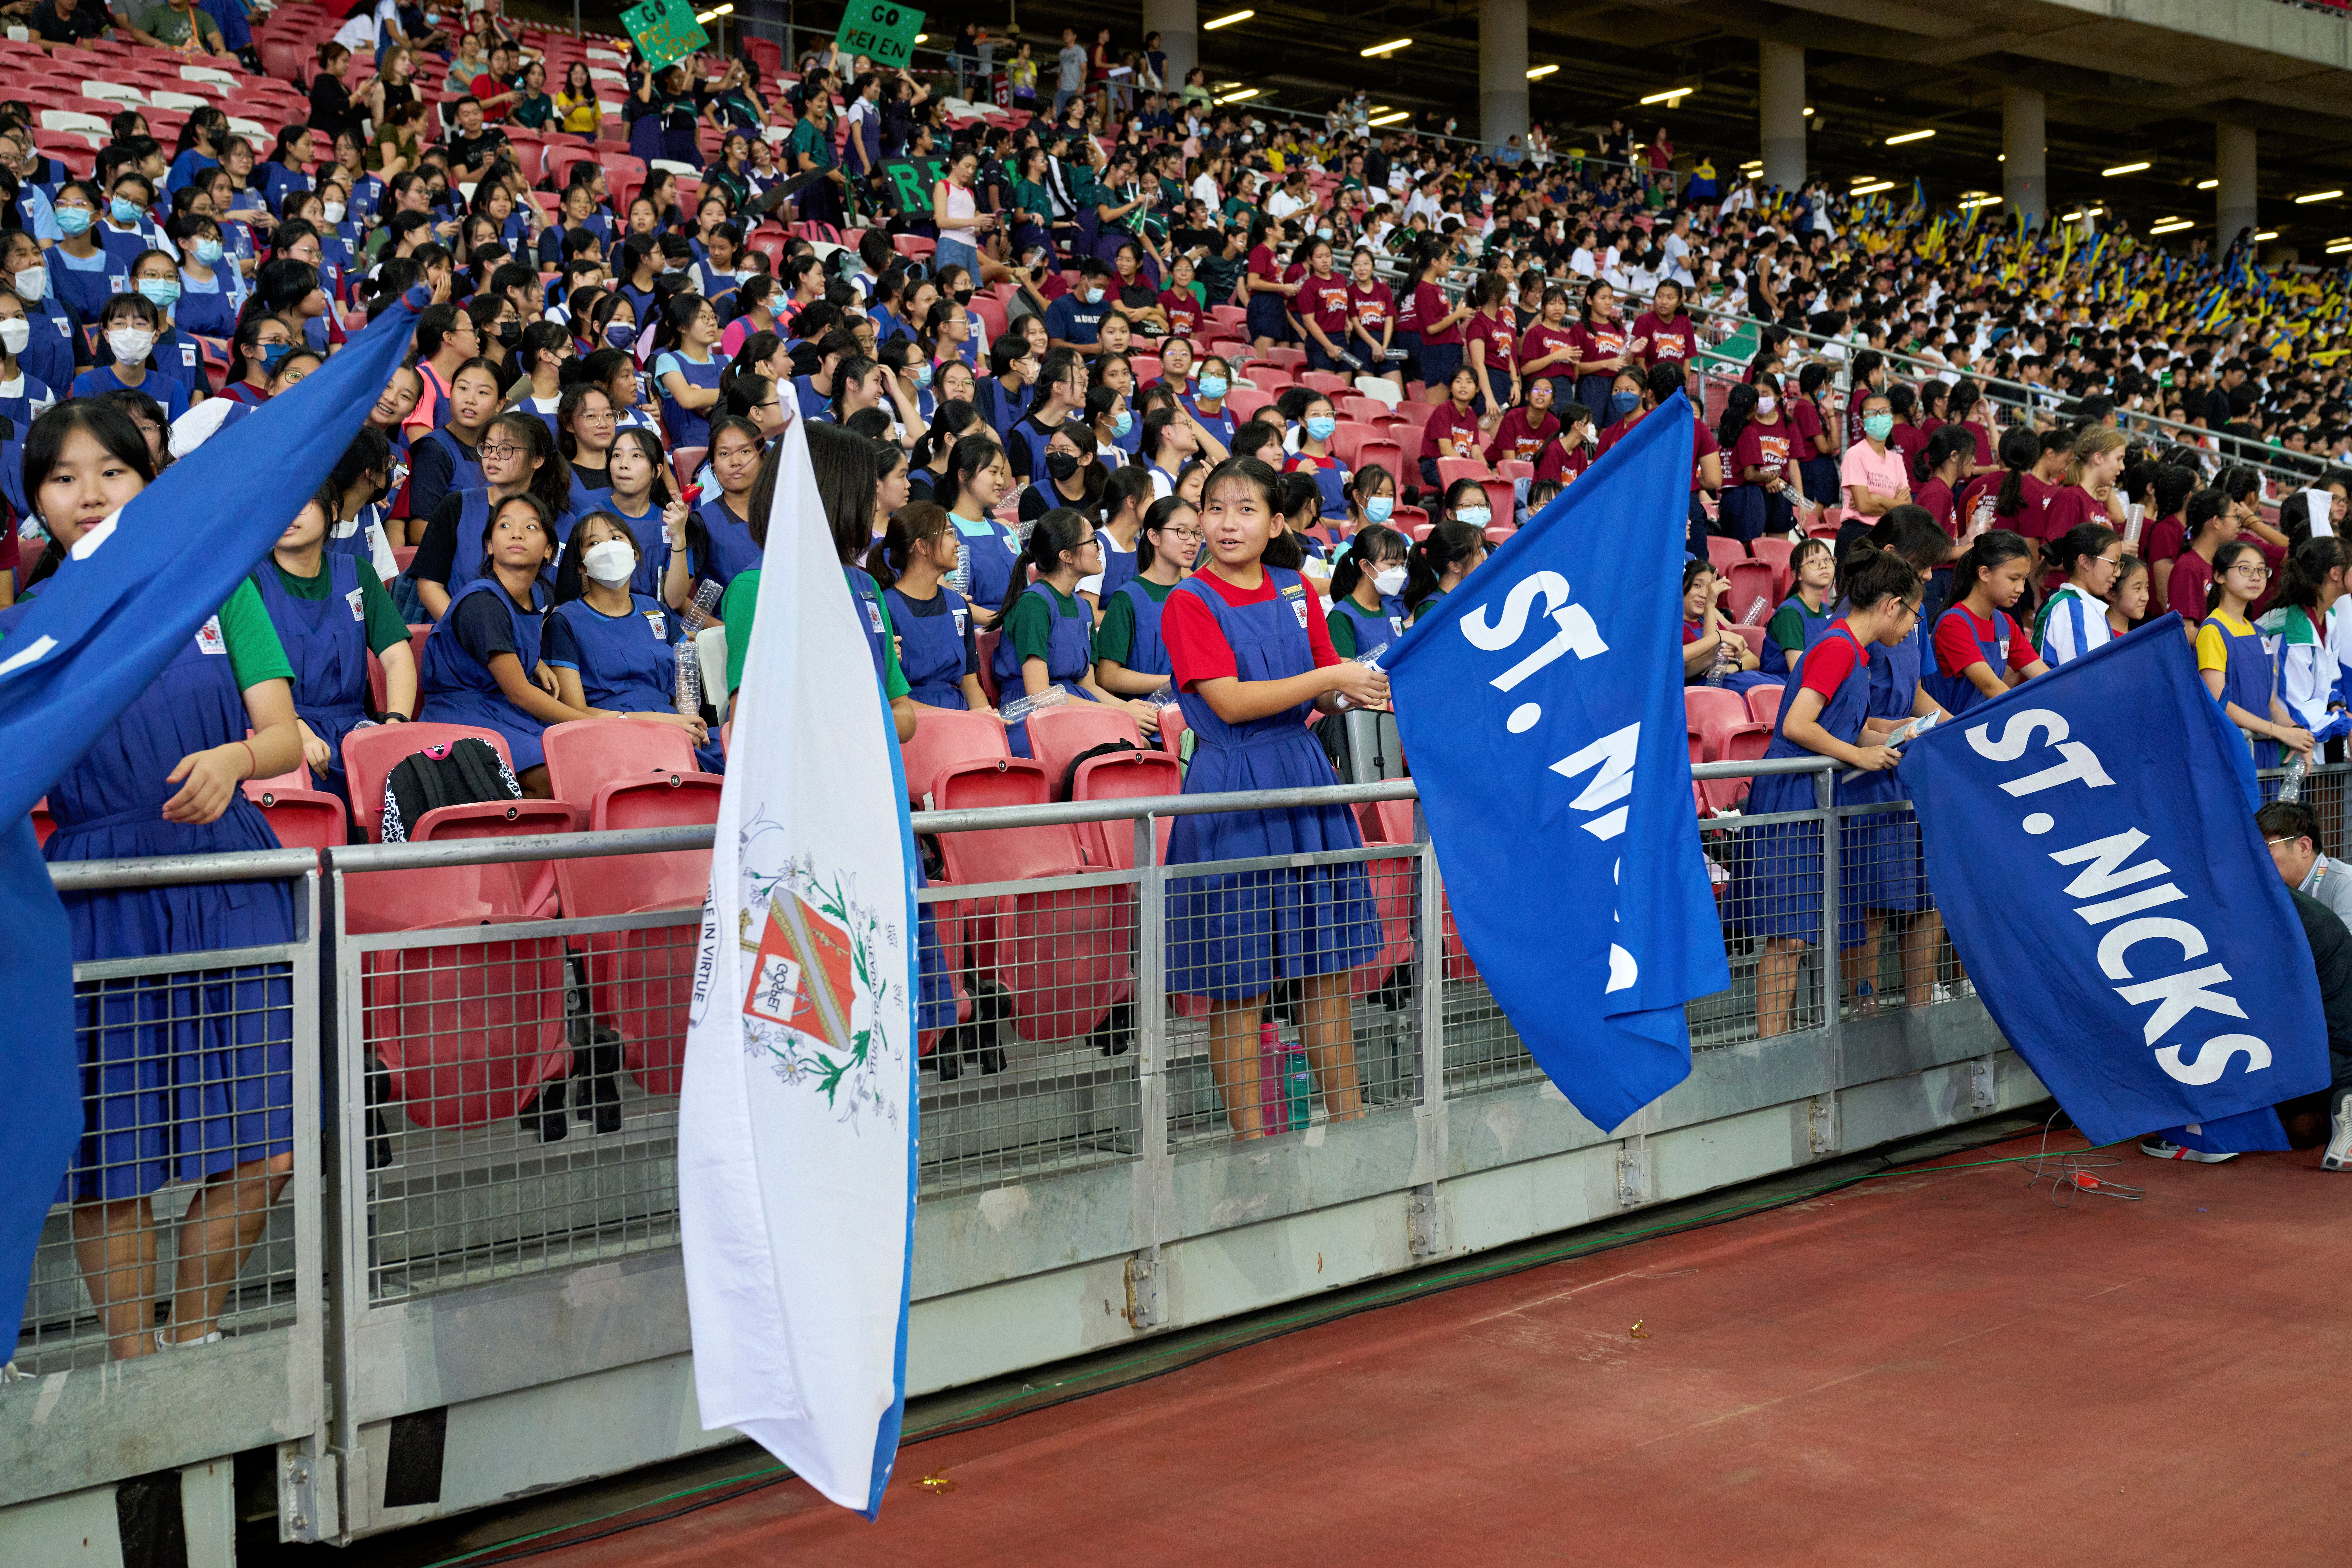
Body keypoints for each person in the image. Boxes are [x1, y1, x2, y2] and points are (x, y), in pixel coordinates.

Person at [5, 401, 301, 1358]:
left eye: (112, 472)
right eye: (63, 478)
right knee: (115, 1164)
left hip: (231, 877)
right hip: (101, 896)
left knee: (270, 1144)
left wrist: (237, 760)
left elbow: (285, 733)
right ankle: (138, 1374)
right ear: (38, 502)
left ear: (149, 481)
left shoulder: (220, 586)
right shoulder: (29, 627)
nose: (89, 494)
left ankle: (193, 1335)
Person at [1160, 455, 1388, 1138]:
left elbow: (1322, 691)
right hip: (1233, 788)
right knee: (1241, 986)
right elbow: (1229, 703)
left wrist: (1353, 692)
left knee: (1327, 971)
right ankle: (1252, 1148)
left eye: (1246, 509)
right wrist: (1331, 677)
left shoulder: (1296, 589)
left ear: (1277, 522)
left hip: (1305, 775)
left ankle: (1351, 1128)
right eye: (1215, 508)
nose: (1227, 524)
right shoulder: (1188, 601)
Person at [1748, 544, 1920, 1040]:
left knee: (1801, 935)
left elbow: (1849, 727)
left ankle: (1783, 1044)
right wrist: (1860, 757)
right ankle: (1771, 1051)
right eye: (1913, 615)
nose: (1913, 629)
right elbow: (1799, 725)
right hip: (1792, 794)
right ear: (1891, 605)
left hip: (1816, 794)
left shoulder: (1856, 652)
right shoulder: (1838, 647)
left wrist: (1897, 731)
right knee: (1788, 938)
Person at [418, 492, 590, 794]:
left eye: (531, 527)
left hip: (507, 712)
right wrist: (589, 724)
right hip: (461, 716)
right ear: (489, 545)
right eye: (505, 526)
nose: (517, 534)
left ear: (550, 550)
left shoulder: (541, 596)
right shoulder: (481, 604)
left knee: (586, 762)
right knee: (553, 777)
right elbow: (520, 693)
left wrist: (536, 662)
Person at [545, 509, 717, 769]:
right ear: (582, 566)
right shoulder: (565, 622)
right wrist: (659, 724)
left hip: (677, 732)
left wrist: (690, 723)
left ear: (635, 553)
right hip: (613, 740)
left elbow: (686, 682)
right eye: (594, 543)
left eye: (616, 538)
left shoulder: (655, 610)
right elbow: (576, 713)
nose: (608, 548)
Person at [990, 506, 1157, 756]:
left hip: (1076, 707)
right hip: (1034, 716)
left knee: (1142, 741)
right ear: (1067, 556)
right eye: (1093, 541)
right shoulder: (1034, 605)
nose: (1100, 549)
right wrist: (1119, 712)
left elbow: (1089, 686)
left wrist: (1131, 708)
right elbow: (1040, 695)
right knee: (1127, 747)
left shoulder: (1083, 607)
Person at [868, 501, 991, 715]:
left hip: (963, 720)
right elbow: (893, 701)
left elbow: (971, 685)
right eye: (950, 534)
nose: (958, 543)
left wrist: (986, 717)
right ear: (922, 546)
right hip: (917, 724)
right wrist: (962, 720)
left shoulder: (958, 605)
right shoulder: (885, 609)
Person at [2200, 538, 2313, 768]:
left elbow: (2270, 704)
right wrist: (2279, 732)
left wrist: (2298, 735)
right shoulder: (2213, 630)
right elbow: (2219, 702)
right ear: (2220, 576)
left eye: (2262, 570)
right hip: (2231, 753)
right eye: (2246, 569)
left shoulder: (2261, 633)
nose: (2256, 577)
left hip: (2263, 748)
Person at [1925, 528, 2050, 715]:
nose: (2021, 589)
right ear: (1984, 573)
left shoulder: (2006, 624)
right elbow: (1991, 687)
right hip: (1950, 727)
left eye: (2024, 579)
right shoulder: (1954, 624)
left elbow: (2045, 677)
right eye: (2014, 579)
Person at [2258, 536, 2352, 753]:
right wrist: (2346, 725)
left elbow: (2330, 680)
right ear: (2335, 573)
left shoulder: (2329, 617)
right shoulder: (2291, 631)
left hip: (2307, 743)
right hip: (2278, 749)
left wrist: (2337, 707)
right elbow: (2293, 710)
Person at [2033, 523, 2124, 667]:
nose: (2118, 573)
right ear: (2085, 562)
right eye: (2114, 563)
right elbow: (2086, 676)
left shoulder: (2075, 606)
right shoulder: (2074, 612)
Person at [1324, 522, 1410, 663]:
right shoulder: (1342, 617)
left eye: (1402, 565)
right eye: (1393, 565)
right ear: (1366, 566)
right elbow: (1343, 674)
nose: (1400, 573)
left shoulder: (1392, 613)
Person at [1681, 560, 1771, 693]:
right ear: (1682, 587)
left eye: (1710, 589)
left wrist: (1734, 666)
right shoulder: (1676, 627)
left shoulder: (1711, 622)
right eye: (1697, 585)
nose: (1704, 595)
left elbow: (1753, 659)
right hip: (1706, 692)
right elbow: (1708, 653)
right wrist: (1710, 604)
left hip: (1737, 680)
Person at [1760, 537, 1835, 677]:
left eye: (1827, 559)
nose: (1824, 566)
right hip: (1783, 685)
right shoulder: (1790, 613)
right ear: (1797, 575)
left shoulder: (1828, 612)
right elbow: (1799, 671)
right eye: (1813, 562)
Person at [1401, 512, 1487, 626]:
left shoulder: (1471, 596)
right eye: (1477, 552)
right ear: (1455, 566)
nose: (1485, 557)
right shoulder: (1431, 609)